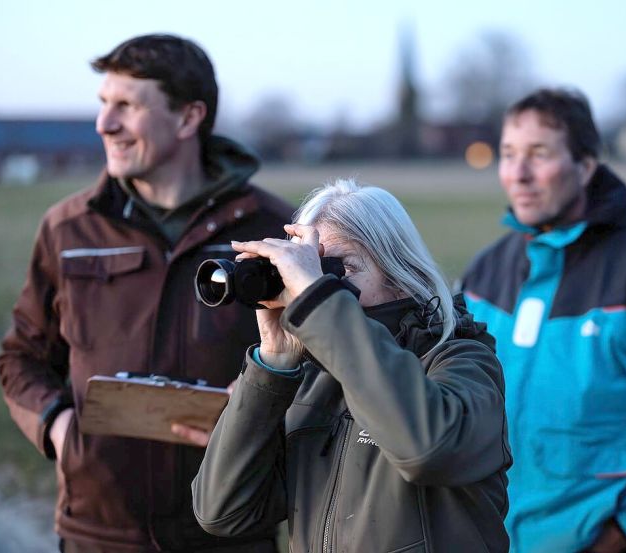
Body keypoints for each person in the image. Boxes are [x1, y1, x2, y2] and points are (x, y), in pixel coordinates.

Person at [0, 34, 292, 552]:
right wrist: (59, 430)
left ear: (188, 118)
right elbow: (21, 357)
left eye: (127, 106)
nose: (103, 124)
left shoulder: (276, 232)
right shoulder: (68, 229)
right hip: (98, 534)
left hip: (231, 534)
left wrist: (262, 416)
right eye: (103, 104)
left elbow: (324, 370)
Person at [191, 179, 512, 552]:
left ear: (399, 274)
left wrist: (320, 305)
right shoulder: (314, 382)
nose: (312, 288)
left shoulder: (461, 361)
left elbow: (426, 449)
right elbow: (223, 511)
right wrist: (273, 365)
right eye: (308, 271)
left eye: (337, 268)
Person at [460, 88, 626, 552]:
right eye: (509, 154)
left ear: (586, 167)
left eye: (539, 154)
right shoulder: (483, 273)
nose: (518, 174)